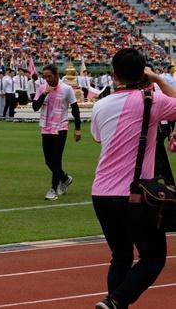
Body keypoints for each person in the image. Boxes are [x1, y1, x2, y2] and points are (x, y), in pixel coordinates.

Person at [91, 49, 176, 309]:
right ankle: (116, 300)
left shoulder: (100, 105)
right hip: (135, 195)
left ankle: (115, 305)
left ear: (114, 74)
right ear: (143, 73)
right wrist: (159, 80)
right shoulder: (152, 100)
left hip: (101, 193)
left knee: (121, 257)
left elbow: (98, 137)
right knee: (153, 258)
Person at [32, 64, 82, 201]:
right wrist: (44, 93)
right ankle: (65, 178)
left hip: (61, 127)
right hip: (46, 127)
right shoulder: (42, 88)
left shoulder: (67, 89)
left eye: (49, 76)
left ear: (56, 75)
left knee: (56, 159)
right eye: (45, 76)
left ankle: (53, 189)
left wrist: (77, 128)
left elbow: (75, 109)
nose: (47, 79)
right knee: (48, 161)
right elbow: (35, 107)